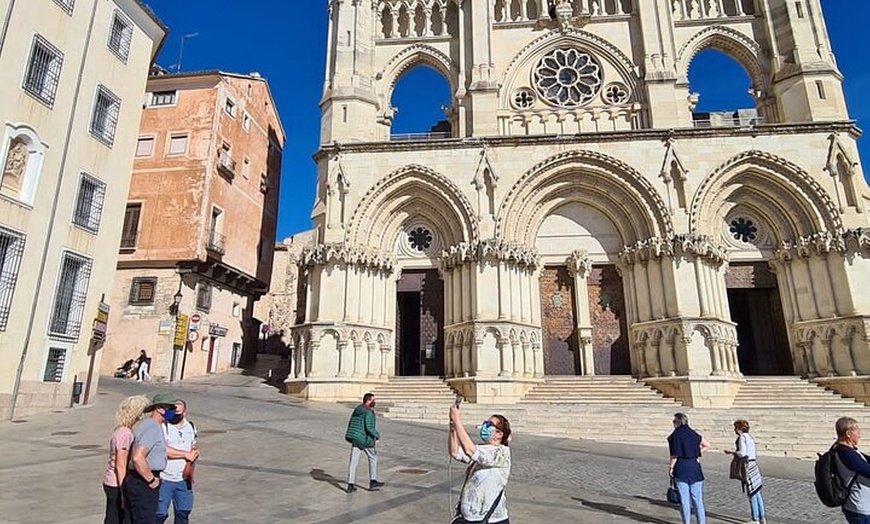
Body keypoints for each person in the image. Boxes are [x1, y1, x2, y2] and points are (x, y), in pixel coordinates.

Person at [448, 404, 512, 524]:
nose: (485, 426)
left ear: (499, 434)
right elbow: (455, 452)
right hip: (468, 519)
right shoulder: (482, 449)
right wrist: (453, 430)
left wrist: (457, 420)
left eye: (489, 424)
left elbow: (470, 450)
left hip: (491, 520)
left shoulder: (501, 453)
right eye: (485, 423)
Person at [125, 392, 176, 524]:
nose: (173, 412)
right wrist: (151, 479)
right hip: (143, 482)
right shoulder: (152, 427)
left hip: (138, 479)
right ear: (159, 408)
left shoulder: (148, 425)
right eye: (170, 409)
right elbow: (138, 457)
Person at [103, 395, 150, 524]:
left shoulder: (122, 430)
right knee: (116, 518)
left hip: (112, 481)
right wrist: (124, 491)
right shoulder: (125, 433)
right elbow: (120, 464)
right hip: (116, 483)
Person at [156, 399, 199, 524]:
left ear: (184, 413)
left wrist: (194, 454)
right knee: (160, 515)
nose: (175, 415)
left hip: (183, 480)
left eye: (178, 412)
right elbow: (163, 450)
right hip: (165, 478)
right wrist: (185, 454)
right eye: (173, 411)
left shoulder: (190, 427)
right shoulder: (163, 426)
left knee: (183, 513)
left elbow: (193, 446)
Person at [668, 412, 710, 524]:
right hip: (694, 467)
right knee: (697, 499)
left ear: (677, 422)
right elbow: (707, 445)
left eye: (674, 422)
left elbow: (675, 454)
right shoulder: (693, 433)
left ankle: (686, 522)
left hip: (681, 467)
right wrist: (696, 453)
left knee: (685, 500)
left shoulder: (676, 435)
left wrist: (671, 467)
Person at [724, 419, 765, 524]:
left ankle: (754, 518)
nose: (735, 430)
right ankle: (762, 517)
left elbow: (742, 453)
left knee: (751, 492)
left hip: (747, 465)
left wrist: (732, 452)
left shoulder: (742, 437)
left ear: (739, 429)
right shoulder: (750, 438)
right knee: (757, 492)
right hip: (753, 464)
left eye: (735, 428)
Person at [344, 392, 384, 493]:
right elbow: (369, 427)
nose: (374, 402)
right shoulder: (368, 412)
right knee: (373, 458)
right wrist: (377, 435)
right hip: (365, 439)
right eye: (373, 400)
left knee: (353, 462)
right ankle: (373, 481)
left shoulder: (358, 409)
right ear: (368, 400)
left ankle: (350, 484)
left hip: (356, 438)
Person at [835, 417, 870, 523]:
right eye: (857, 431)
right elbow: (867, 470)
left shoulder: (847, 450)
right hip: (859, 507)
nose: (859, 435)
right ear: (848, 434)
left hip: (858, 505)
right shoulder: (847, 454)